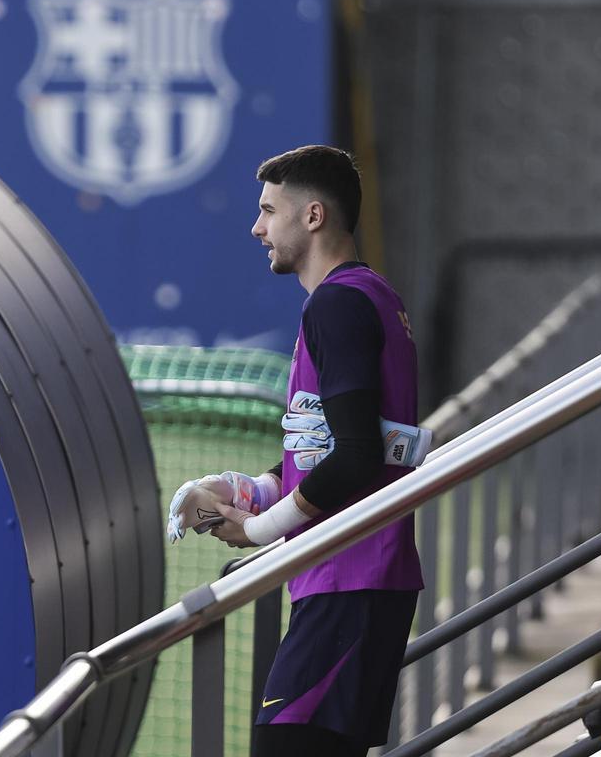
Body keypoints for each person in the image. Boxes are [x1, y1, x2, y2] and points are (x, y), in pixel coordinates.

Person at [205, 144, 424, 756]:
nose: (257, 228)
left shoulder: (337, 303)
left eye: (268, 211)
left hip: (348, 577)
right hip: (352, 579)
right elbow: (343, 443)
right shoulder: (365, 296)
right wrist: (248, 491)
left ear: (313, 216)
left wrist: (257, 532)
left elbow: (355, 455)